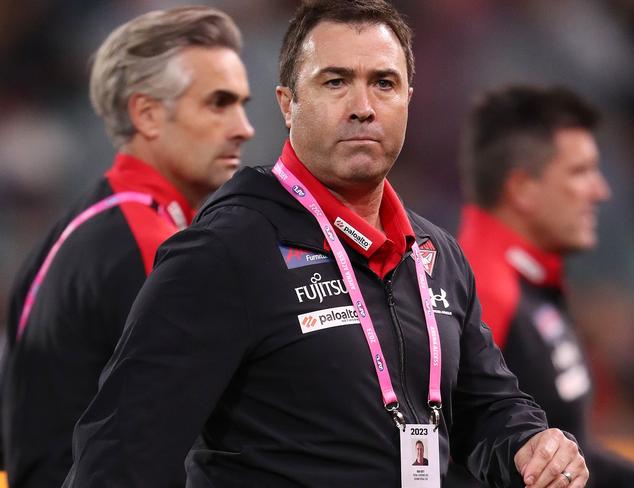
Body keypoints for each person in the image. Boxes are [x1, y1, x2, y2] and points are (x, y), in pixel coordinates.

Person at [64, 2, 588, 487]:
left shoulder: (436, 254)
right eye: (336, 82)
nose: (363, 107)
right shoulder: (226, 251)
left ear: (407, 99)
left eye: (383, 83)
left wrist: (530, 442)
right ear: (288, 104)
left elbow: (487, 405)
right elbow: (121, 450)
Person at [0, 6, 254, 488]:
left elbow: (3, 439)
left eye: (242, 104)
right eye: (218, 103)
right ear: (147, 114)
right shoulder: (156, 246)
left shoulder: (74, 226)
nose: (243, 127)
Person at [451, 85, 634, 487]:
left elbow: (574, 455)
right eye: (580, 171)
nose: (600, 191)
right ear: (523, 189)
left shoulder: (528, 285)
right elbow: (449, 455)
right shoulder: (482, 291)